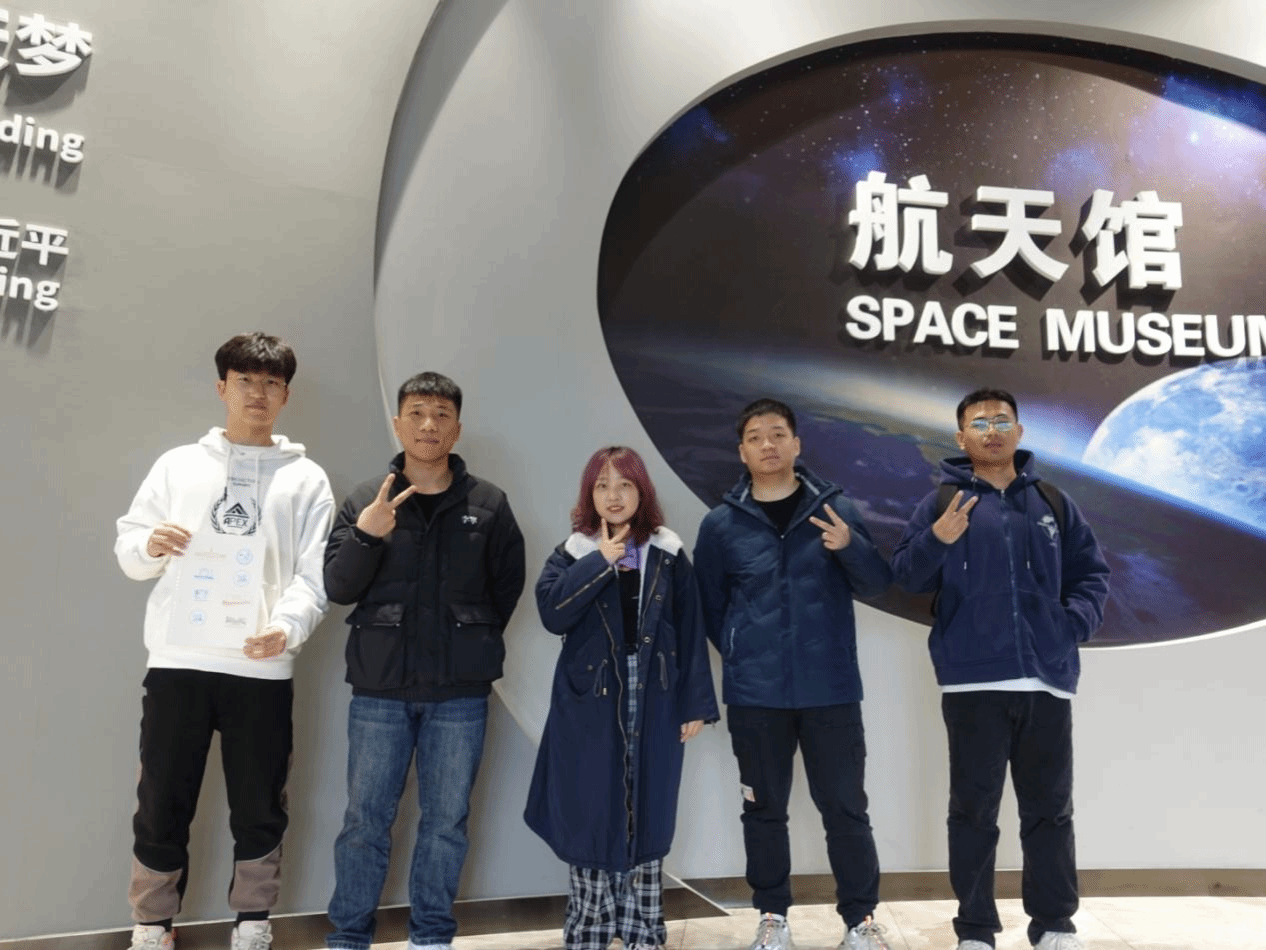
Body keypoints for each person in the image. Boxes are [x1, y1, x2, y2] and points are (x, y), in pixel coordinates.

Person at [115, 332, 335, 950]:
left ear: (286, 395)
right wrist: (149, 545)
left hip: (261, 669)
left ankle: (253, 923)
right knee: (161, 797)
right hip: (178, 662)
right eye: (244, 381)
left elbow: (314, 573)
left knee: (260, 802)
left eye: (270, 383)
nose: (257, 394)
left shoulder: (307, 479)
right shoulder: (178, 465)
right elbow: (129, 548)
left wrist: (287, 629)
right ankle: (152, 925)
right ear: (222, 388)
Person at [890, 388, 1110, 950]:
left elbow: (1091, 573)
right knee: (972, 813)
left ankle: (1054, 925)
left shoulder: (1053, 502)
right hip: (972, 681)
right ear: (961, 437)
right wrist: (937, 540)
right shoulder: (942, 502)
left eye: (1002, 421)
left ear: (1019, 431)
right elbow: (907, 575)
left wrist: (1070, 625)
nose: (992, 431)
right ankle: (975, 930)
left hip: (1046, 680)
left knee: (1050, 812)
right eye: (980, 423)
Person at [323, 371, 525, 950]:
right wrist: (368, 536)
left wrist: (469, 639)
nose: (429, 424)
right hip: (379, 690)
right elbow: (338, 587)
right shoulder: (367, 499)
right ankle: (348, 937)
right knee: (364, 820)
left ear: (456, 428)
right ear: (398, 424)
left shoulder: (488, 503)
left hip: (460, 694)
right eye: (416, 413)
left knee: (446, 821)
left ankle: (432, 935)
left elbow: (505, 588)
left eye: (441, 414)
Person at [693, 399, 893, 950]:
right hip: (756, 695)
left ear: (796, 444)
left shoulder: (834, 510)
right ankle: (772, 917)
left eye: (778, 434)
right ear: (742, 451)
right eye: (756, 436)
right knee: (763, 810)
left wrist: (850, 547)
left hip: (831, 691)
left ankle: (859, 921)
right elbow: (709, 606)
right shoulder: (721, 525)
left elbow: (877, 584)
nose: (768, 444)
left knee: (846, 808)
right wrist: (743, 653)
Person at [526, 446, 719, 950]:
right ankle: (590, 929)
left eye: (625, 484)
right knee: (592, 805)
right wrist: (599, 562)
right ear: (589, 494)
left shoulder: (668, 551)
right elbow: (552, 614)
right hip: (589, 700)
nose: (614, 496)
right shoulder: (574, 551)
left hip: (656, 693)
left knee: (647, 801)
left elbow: (691, 628)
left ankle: (641, 928)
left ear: (641, 492)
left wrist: (696, 703)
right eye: (602, 485)